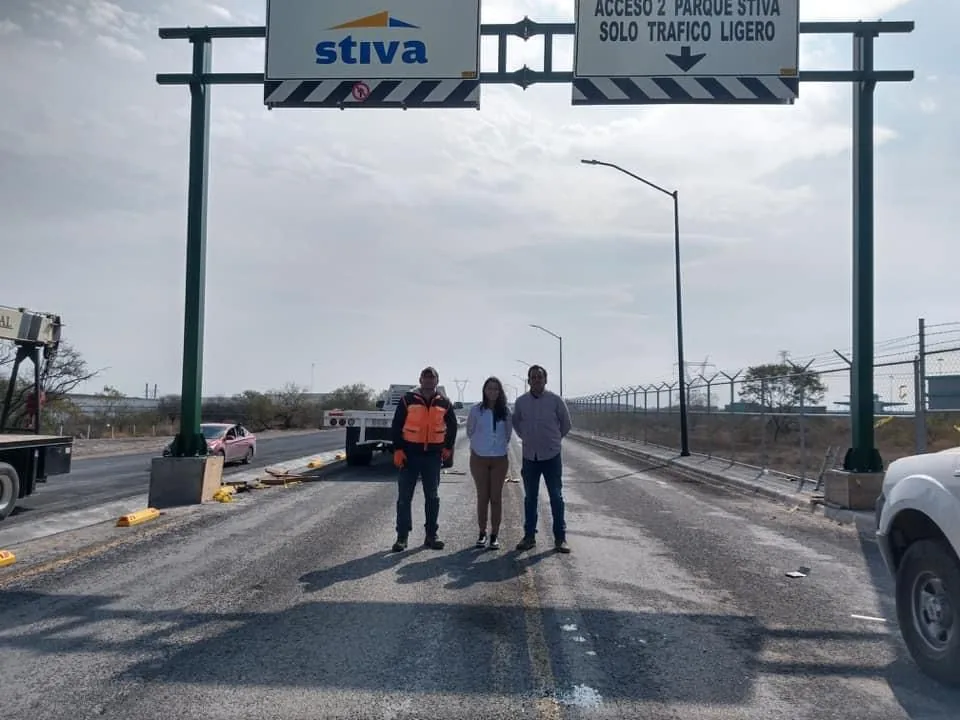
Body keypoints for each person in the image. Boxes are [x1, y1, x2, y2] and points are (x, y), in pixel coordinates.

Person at [390, 366, 458, 552]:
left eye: (432, 377)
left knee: (433, 497)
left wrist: (448, 447)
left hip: (432, 457)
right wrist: (398, 449)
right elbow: (397, 425)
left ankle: (431, 535)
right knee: (404, 498)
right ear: (420, 380)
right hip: (409, 456)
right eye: (425, 377)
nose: (428, 380)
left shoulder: (444, 402)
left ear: (437, 380)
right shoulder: (408, 400)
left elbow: (452, 425)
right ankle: (402, 537)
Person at [511, 364, 573, 553]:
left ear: (545, 379)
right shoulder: (521, 402)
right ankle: (529, 536)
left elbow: (566, 424)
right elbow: (516, 423)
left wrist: (553, 441)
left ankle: (560, 538)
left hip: (551, 456)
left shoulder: (556, 401)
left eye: (540, 377)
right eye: (533, 377)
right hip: (530, 457)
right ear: (528, 380)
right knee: (530, 497)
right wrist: (527, 437)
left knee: (556, 496)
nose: (537, 380)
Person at [466, 376, 513, 550]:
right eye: (489, 388)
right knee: (482, 497)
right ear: (484, 391)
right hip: (479, 458)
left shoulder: (506, 411)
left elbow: (508, 434)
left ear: (499, 392)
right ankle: (482, 533)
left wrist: (496, 446)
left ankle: (494, 535)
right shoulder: (476, 410)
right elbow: (470, 431)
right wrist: (481, 446)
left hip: (499, 459)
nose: (492, 391)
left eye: (495, 388)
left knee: (496, 497)